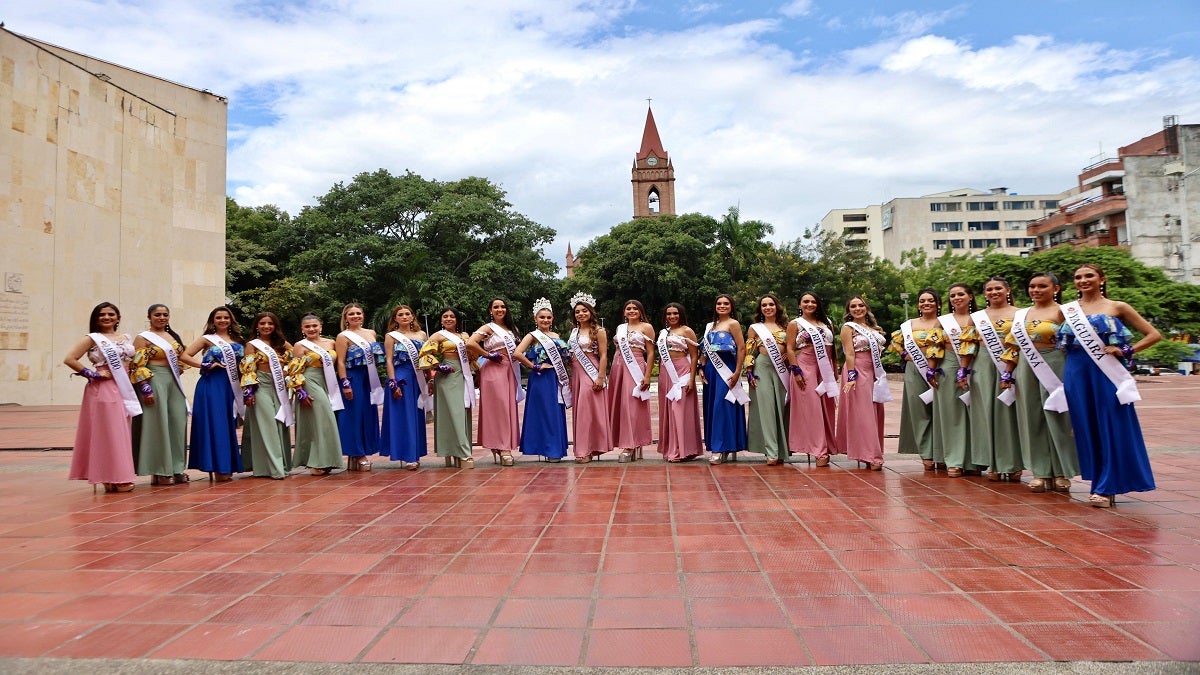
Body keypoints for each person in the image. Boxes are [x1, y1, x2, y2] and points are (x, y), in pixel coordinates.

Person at [1058, 263, 1161, 507]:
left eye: (1089, 276)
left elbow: (1154, 335)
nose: (1083, 280)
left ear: (1101, 279)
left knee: (1110, 424)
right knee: (1086, 427)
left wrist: (1126, 349)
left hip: (1107, 372)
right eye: (1078, 277)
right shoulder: (1068, 310)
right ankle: (1099, 484)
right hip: (1076, 371)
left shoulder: (1117, 307)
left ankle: (1107, 486)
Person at [1001, 273, 1078, 495]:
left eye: (1042, 286)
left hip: (1057, 363)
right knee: (1031, 418)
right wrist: (1008, 373)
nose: (1036, 290)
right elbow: (1013, 346)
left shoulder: (1064, 312)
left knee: (1059, 416)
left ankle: (1062, 471)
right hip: (1027, 366)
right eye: (1032, 286)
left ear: (1056, 288)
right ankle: (1041, 471)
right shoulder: (1021, 314)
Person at [63, 302, 138, 493]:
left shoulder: (126, 337)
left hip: (124, 386)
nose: (107, 317)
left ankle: (116, 475)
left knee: (121, 433)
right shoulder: (92, 339)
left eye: (111, 314)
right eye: (102, 315)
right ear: (96, 318)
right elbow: (70, 359)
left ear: (118, 317)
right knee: (109, 433)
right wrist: (93, 374)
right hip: (104, 388)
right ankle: (111, 477)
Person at [131, 304, 201, 485]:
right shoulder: (142, 338)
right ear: (149, 317)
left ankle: (177, 467)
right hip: (154, 380)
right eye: (157, 315)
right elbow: (137, 365)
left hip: (173, 381)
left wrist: (201, 366)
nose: (161, 318)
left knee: (178, 422)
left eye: (165, 315)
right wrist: (145, 387)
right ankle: (160, 470)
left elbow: (183, 357)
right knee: (158, 424)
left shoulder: (173, 336)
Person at [969, 277, 1023, 482]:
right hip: (982, 365)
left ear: (1007, 290)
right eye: (989, 289)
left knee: (1010, 414)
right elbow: (968, 346)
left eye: (998, 288)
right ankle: (994, 461)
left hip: (1014, 363)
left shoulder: (1021, 314)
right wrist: (963, 371)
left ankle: (1013, 462)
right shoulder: (976, 317)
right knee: (987, 412)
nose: (993, 292)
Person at [183, 306, 245, 482]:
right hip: (212, 386)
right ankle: (219, 467)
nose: (223, 321)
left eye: (226, 318)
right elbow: (185, 356)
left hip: (232, 386)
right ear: (213, 320)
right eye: (219, 318)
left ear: (231, 320)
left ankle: (227, 465)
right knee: (217, 425)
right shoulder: (207, 339)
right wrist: (204, 365)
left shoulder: (239, 339)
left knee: (228, 425)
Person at [890, 289, 945, 471]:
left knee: (942, 411)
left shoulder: (945, 323)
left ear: (938, 303)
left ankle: (943, 452)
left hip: (941, 368)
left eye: (930, 300)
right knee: (919, 410)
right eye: (922, 301)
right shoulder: (909, 325)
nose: (926, 303)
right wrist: (904, 353)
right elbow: (895, 342)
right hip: (915, 370)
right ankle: (926, 452)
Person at [836, 295, 891, 470]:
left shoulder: (873, 328)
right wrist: (852, 376)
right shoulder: (848, 327)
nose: (857, 308)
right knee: (863, 413)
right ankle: (870, 455)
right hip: (857, 370)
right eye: (853, 306)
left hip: (874, 370)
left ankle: (871, 452)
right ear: (849, 310)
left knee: (874, 412)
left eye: (860, 305)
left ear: (866, 308)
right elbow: (849, 353)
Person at [932, 283, 981, 477]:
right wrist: (931, 370)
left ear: (970, 296)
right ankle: (954, 459)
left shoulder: (980, 318)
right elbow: (934, 347)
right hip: (948, 365)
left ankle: (975, 460)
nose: (956, 298)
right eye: (952, 295)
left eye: (961, 294)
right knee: (952, 414)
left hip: (978, 365)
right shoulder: (942, 321)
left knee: (976, 413)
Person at [785, 291, 839, 465]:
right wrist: (796, 371)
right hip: (805, 367)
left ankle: (827, 446)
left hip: (825, 369)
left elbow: (833, 348)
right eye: (805, 302)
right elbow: (790, 349)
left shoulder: (827, 322)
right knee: (812, 411)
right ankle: (819, 451)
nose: (809, 304)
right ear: (800, 305)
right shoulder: (795, 324)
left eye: (813, 302)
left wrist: (835, 370)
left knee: (826, 409)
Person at [513, 298, 570, 462]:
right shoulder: (532, 336)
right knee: (544, 412)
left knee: (555, 412)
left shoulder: (556, 335)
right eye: (542, 317)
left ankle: (554, 449)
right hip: (540, 379)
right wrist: (534, 366)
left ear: (552, 319)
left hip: (555, 377)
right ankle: (547, 449)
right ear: (535, 319)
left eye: (548, 317)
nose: (545, 320)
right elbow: (517, 354)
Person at [418, 308, 475, 468]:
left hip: (464, 373)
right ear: (441, 320)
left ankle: (458, 450)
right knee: (453, 412)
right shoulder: (437, 336)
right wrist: (438, 365)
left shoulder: (464, 336)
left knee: (463, 412)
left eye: (452, 316)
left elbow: (471, 355)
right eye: (445, 316)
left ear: (457, 319)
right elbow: (424, 355)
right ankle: (463, 453)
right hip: (447, 374)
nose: (449, 318)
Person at [288, 314, 345, 475]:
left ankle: (326, 460)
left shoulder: (331, 342)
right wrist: (300, 391)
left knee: (324, 421)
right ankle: (318, 462)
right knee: (322, 419)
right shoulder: (300, 346)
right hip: (310, 382)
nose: (311, 329)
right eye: (307, 327)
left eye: (314, 326)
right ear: (302, 329)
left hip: (327, 381)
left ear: (321, 326)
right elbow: (294, 371)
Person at [467, 298, 522, 466]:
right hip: (494, 368)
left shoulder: (512, 329)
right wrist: (487, 354)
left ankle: (502, 445)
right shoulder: (487, 328)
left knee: (508, 407)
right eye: (496, 307)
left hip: (510, 370)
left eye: (503, 306)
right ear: (490, 310)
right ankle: (503, 447)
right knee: (499, 408)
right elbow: (470, 342)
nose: (500, 309)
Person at [241, 311, 293, 479]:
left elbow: (297, 361)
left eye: (270, 323)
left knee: (280, 424)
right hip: (261, 386)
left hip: (279, 387)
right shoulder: (252, 345)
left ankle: (279, 465)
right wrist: (248, 391)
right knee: (267, 425)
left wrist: (288, 372)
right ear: (257, 326)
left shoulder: (283, 344)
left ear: (275, 326)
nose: (266, 326)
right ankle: (274, 467)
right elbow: (248, 369)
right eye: (262, 323)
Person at [699, 294, 748, 464]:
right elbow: (705, 351)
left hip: (727, 368)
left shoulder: (733, 324)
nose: (722, 306)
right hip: (711, 370)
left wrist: (737, 372)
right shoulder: (711, 326)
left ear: (731, 306)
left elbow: (741, 348)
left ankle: (721, 448)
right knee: (713, 407)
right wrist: (701, 367)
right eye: (719, 303)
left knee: (723, 406)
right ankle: (719, 445)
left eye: (726, 303)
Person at [335, 302, 384, 471]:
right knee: (353, 416)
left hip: (369, 378)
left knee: (367, 414)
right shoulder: (343, 336)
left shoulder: (371, 333)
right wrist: (345, 384)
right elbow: (340, 362)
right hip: (353, 377)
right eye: (351, 314)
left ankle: (365, 449)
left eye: (358, 313)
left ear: (363, 315)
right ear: (346, 317)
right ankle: (356, 453)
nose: (355, 316)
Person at [382, 305, 430, 470]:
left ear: (412, 316)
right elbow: (388, 360)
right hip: (400, 377)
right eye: (400, 315)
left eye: (407, 314)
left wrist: (430, 379)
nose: (404, 317)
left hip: (417, 378)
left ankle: (415, 453)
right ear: (395, 318)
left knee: (416, 414)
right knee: (404, 416)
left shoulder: (421, 334)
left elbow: (427, 357)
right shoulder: (391, 336)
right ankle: (408, 455)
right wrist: (393, 382)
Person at [744, 294, 790, 465]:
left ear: (777, 306)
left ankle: (782, 451)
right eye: (764, 305)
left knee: (782, 408)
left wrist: (790, 355)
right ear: (760, 309)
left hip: (782, 370)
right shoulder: (755, 327)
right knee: (766, 409)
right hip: (761, 367)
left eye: (771, 304)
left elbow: (797, 348)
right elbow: (750, 351)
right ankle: (771, 451)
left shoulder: (787, 326)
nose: (768, 307)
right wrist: (749, 372)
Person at [655, 302, 703, 462]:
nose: (672, 316)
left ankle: (682, 449)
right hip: (666, 372)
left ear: (681, 314)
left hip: (682, 371)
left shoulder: (687, 331)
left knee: (680, 410)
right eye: (669, 314)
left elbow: (694, 355)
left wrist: (691, 378)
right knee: (668, 410)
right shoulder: (663, 333)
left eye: (675, 313)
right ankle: (671, 448)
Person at [609, 299, 655, 462]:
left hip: (635, 365)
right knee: (620, 405)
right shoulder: (620, 328)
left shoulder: (646, 327)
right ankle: (623, 441)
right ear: (624, 312)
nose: (632, 311)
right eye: (628, 308)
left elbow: (650, 353)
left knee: (632, 405)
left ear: (641, 311)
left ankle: (631, 444)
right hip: (618, 365)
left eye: (635, 308)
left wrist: (648, 375)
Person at [567, 292, 611, 463]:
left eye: (584, 311)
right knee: (581, 411)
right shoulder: (573, 332)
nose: (581, 314)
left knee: (588, 410)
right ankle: (585, 449)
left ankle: (587, 449)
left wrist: (600, 377)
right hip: (576, 373)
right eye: (577, 312)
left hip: (591, 369)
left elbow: (604, 355)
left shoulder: (599, 331)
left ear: (591, 312)